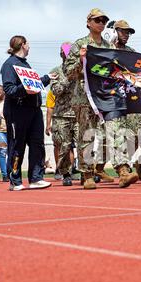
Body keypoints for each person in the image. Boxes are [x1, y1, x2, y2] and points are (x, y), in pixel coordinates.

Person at [64, 8, 138, 189]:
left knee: (115, 131)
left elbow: (115, 72)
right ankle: (87, 173)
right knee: (87, 135)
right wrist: (81, 60)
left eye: (103, 20)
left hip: (106, 96)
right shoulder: (80, 44)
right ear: (88, 23)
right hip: (85, 97)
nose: (101, 23)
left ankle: (122, 170)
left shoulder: (108, 47)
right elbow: (68, 72)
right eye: (97, 20)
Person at [1, 35, 55, 191]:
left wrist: (46, 79)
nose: (30, 47)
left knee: (37, 144)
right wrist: (26, 88)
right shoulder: (9, 65)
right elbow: (10, 89)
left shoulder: (25, 64)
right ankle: (15, 180)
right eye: (28, 44)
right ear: (22, 45)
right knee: (17, 146)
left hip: (34, 110)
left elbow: (32, 83)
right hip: (17, 111)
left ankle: (36, 178)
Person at [47, 42, 80, 187]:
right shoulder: (55, 71)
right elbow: (56, 91)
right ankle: (65, 173)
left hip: (79, 114)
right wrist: (68, 78)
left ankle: (87, 173)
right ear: (61, 54)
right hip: (62, 115)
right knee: (64, 146)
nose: (67, 55)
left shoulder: (81, 70)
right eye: (64, 52)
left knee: (85, 144)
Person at [0, 85, 9, 182]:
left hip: (11, 130)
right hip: (0, 130)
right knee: (3, 152)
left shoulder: (9, 102)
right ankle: (5, 174)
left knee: (12, 153)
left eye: (0, 90)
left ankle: (12, 171)